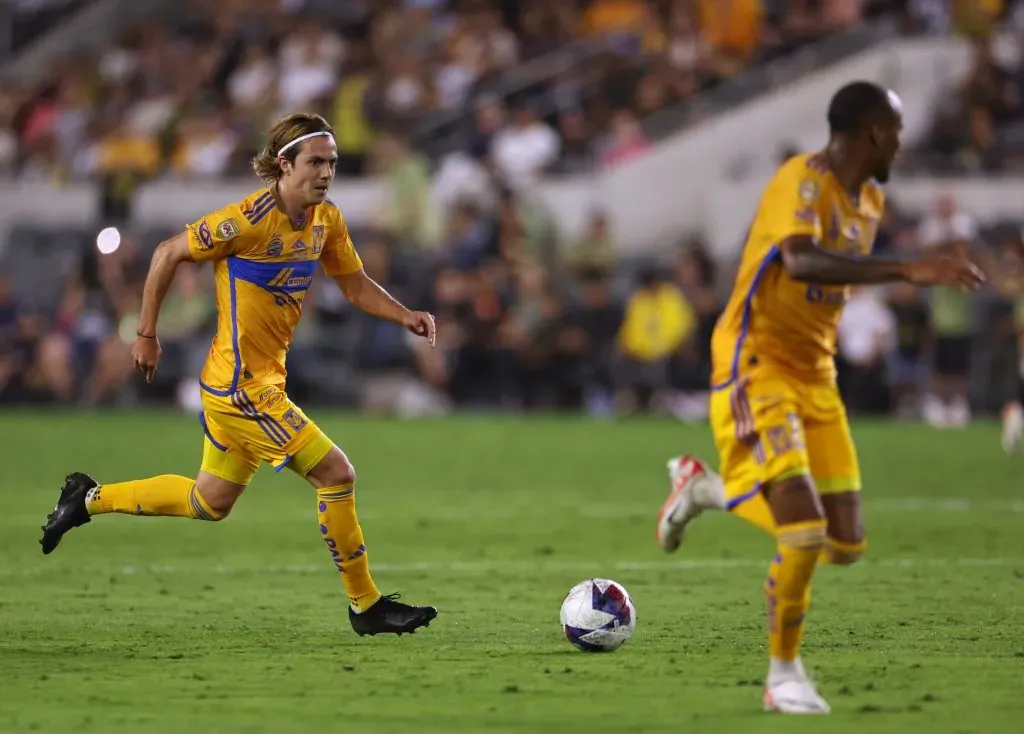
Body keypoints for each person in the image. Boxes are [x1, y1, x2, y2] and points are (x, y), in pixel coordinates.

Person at [653, 82, 985, 714]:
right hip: (758, 367)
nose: (901, 142)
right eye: (896, 130)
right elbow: (802, 262)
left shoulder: (871, 200)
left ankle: (702, 490)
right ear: (871, 133)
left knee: (844, 544)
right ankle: (782, 676)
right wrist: (908, 268)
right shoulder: (799, 182)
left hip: (816, 375)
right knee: (802, 536)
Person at [39, 113, 439, 637]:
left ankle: (87, 499)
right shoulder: (245, 220)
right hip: (241, 389)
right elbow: (166, 254)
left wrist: (404, 314)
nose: (325, 172)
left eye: (332, 163)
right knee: (336, 474)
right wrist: (145, 334)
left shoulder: (326, 221)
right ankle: (366, 606)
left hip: (250, 384)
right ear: (284, 163)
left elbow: (354, 281)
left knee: (209, 502)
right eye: (315, 161)